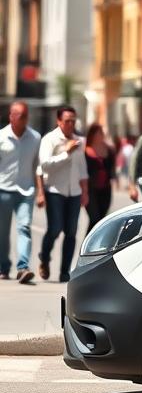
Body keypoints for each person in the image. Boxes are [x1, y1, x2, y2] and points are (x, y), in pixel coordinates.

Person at [37, 105, 89, 283]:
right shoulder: (49, 139)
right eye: (67, 121)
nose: (70, 124)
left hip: (74, 191)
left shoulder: (78, 141)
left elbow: (82, 169)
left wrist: (85, 191)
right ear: (59, 121)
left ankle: (65, 271)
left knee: (71, 232)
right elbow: (44, 165)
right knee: (55, 229)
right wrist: (66, 153)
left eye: (73, 121)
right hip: (55, 191)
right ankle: (44, 257)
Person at [0, 100, 41, 283]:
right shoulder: (1, 136)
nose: (24, 119)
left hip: (26, 191)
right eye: (20, 115)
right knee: (2, 232)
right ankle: (3, 266)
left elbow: (37, 167)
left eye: (26, 115)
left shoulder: (35, 137)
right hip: (3, 190)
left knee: (24, 228)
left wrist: (40, 192)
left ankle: (23, 267)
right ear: (11, 116)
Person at [84, 123, 115, 231]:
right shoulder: (85, 150)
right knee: (94, 219)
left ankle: (96, 246)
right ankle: (87, 245)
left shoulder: (109, 150)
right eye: (97, 133)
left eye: (101, 133)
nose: (100, 135)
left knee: (102, 221)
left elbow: (111, 168)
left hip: (105, 189)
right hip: (90, 190)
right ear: (92, 135)